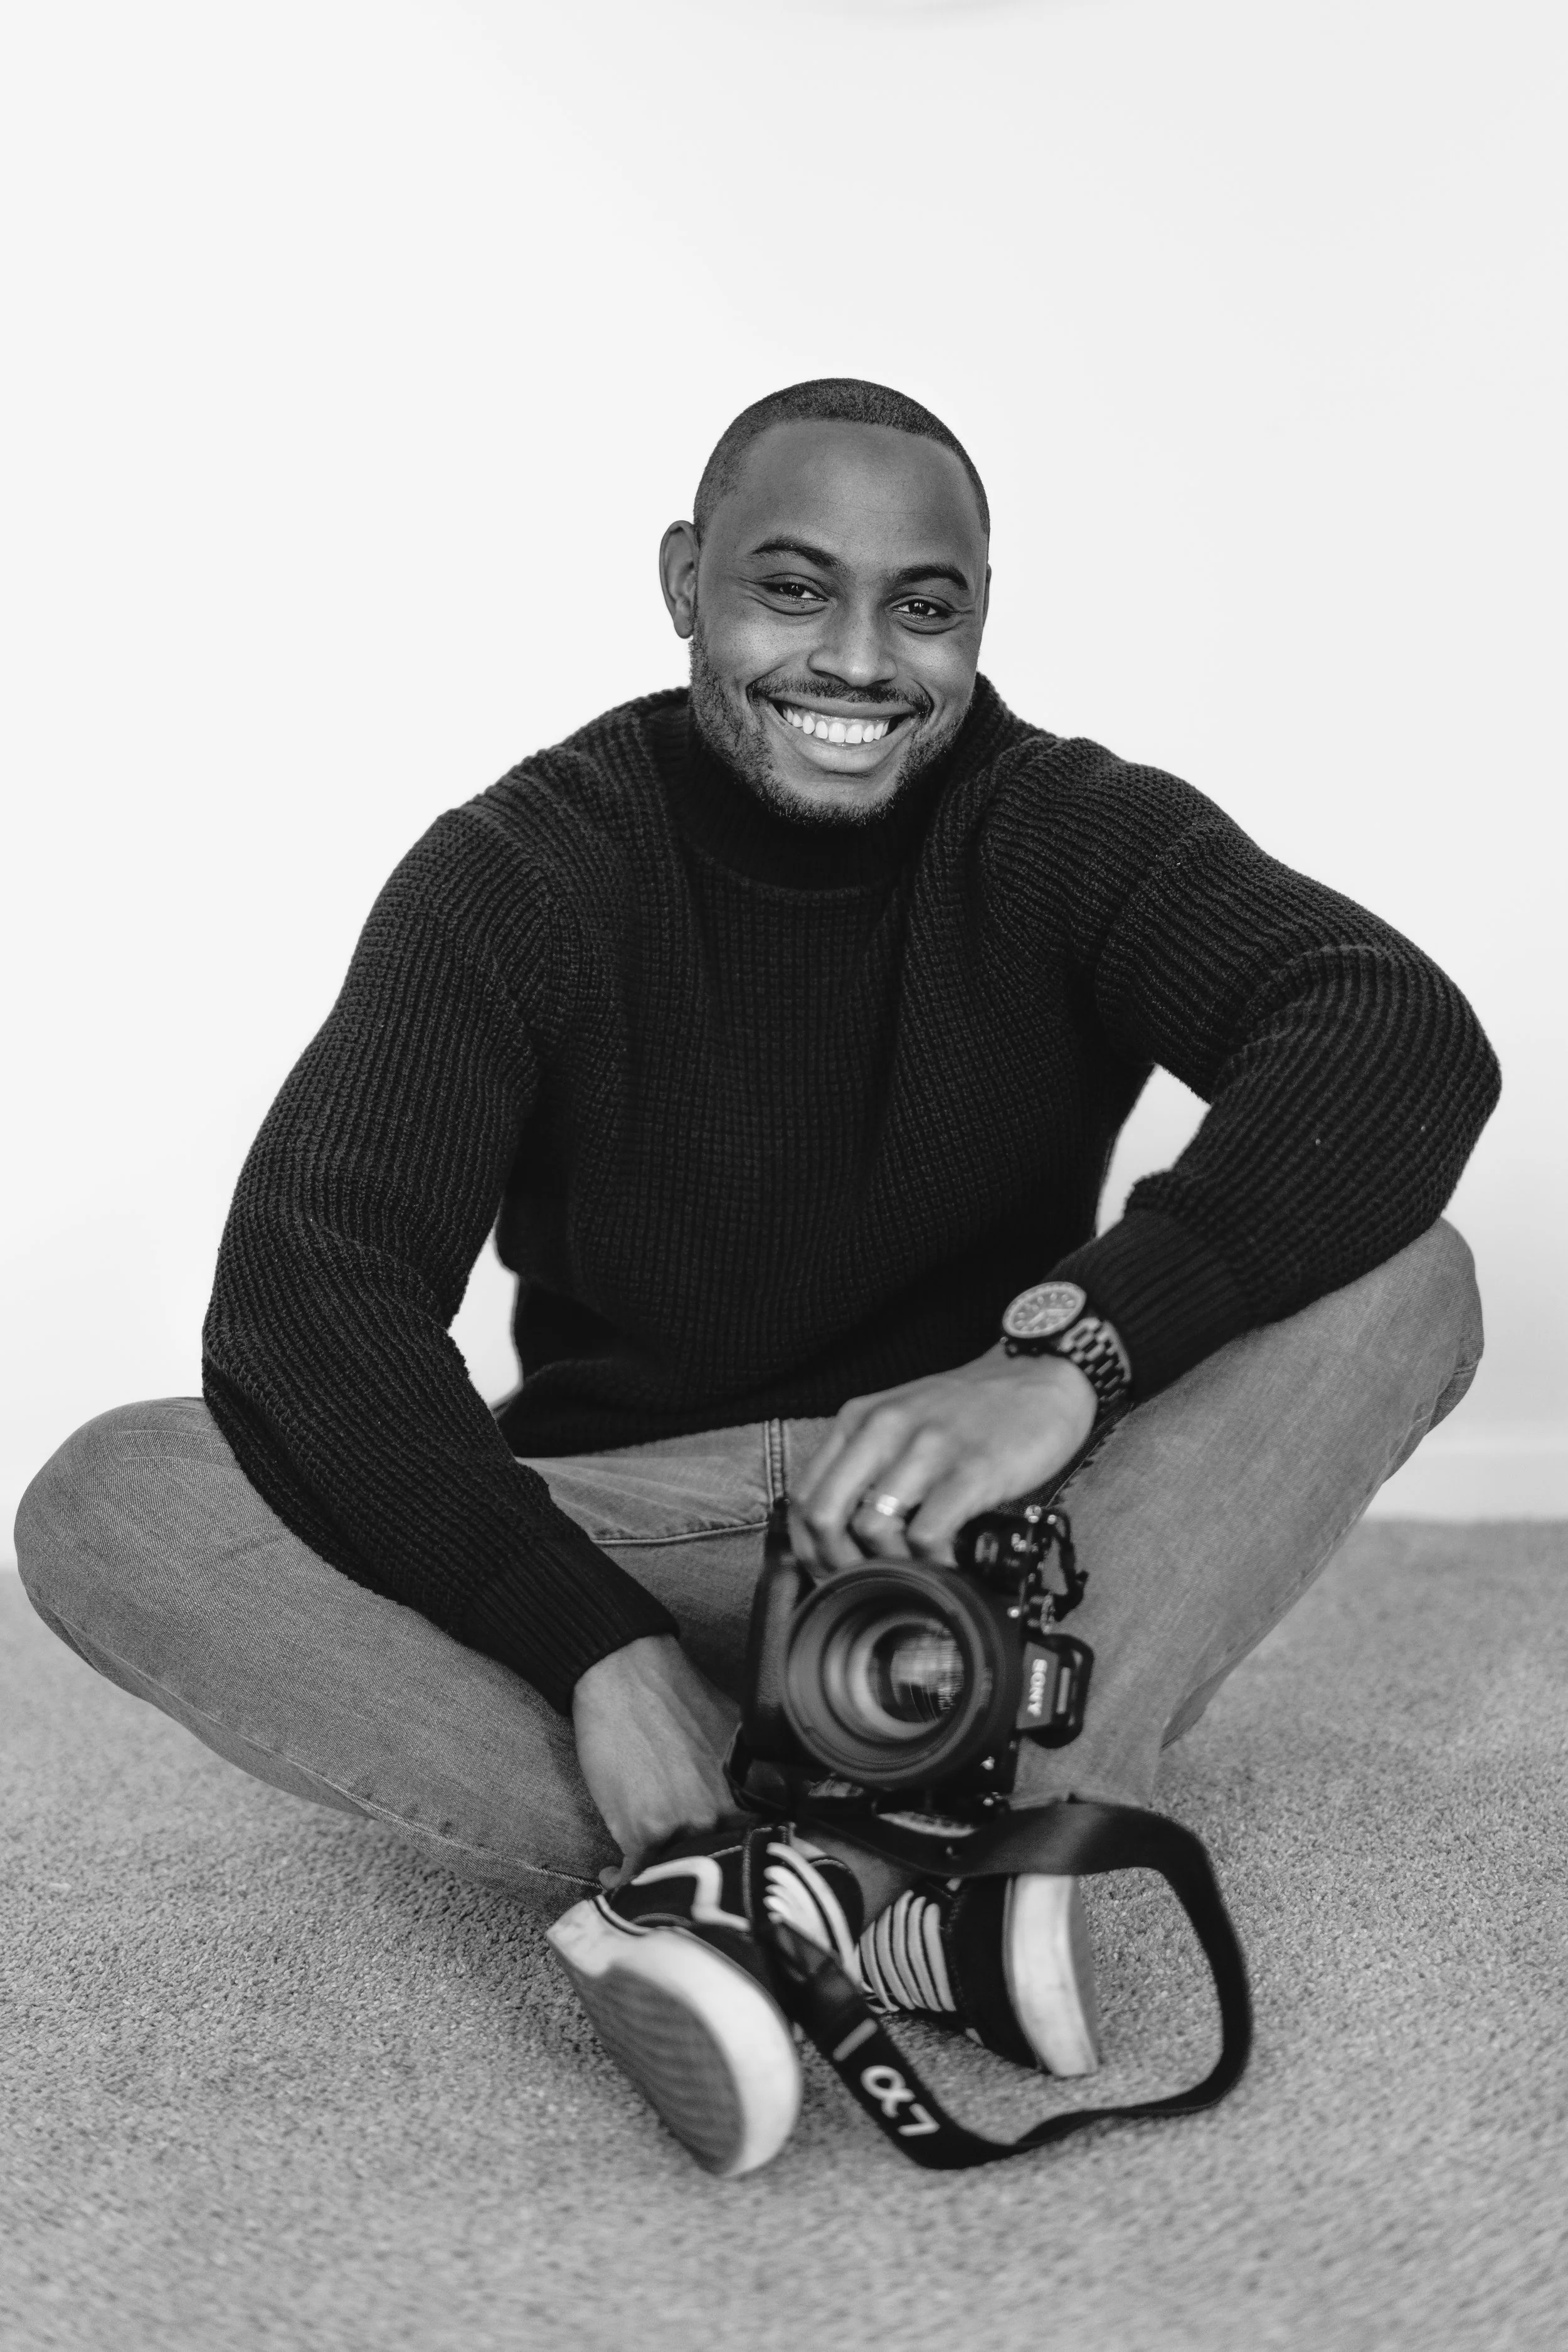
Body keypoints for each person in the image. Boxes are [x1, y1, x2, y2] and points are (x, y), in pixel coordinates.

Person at [16, 379, 1498, 2180]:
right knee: (122, 1500)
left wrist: (1074, 1358)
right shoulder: (526, 865)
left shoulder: (1059, 826)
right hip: (649, 1521)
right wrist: (594, 1643)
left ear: (974, 620)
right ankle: (848, 1858)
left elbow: (1386, 1029)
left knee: (1408, 1276)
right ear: (681, 582)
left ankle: (879, 1839)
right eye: (791, 590)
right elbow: (304, 1293)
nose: (859, 660)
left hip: (984, 1539)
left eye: (922, 606)